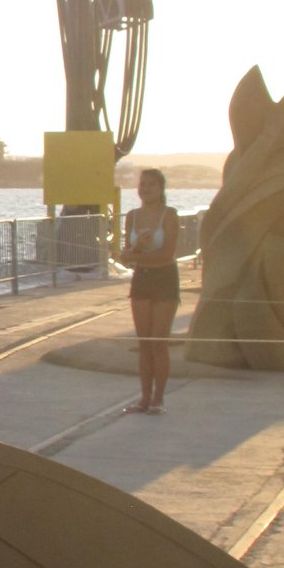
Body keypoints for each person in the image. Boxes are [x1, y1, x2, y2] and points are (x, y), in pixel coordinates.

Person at [123, 166, 180, 413]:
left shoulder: (169, 215)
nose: (145, 189)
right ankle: (144, 397)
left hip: (165, 279)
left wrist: (138, 256)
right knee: (144, 342)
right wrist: (138, 248)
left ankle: (159, 398)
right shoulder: (132, 216)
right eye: (142, 184)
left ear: (161, 189)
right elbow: (126, 255)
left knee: (159, 342)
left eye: (151, 185)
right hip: (142, 279)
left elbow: (167, 255)